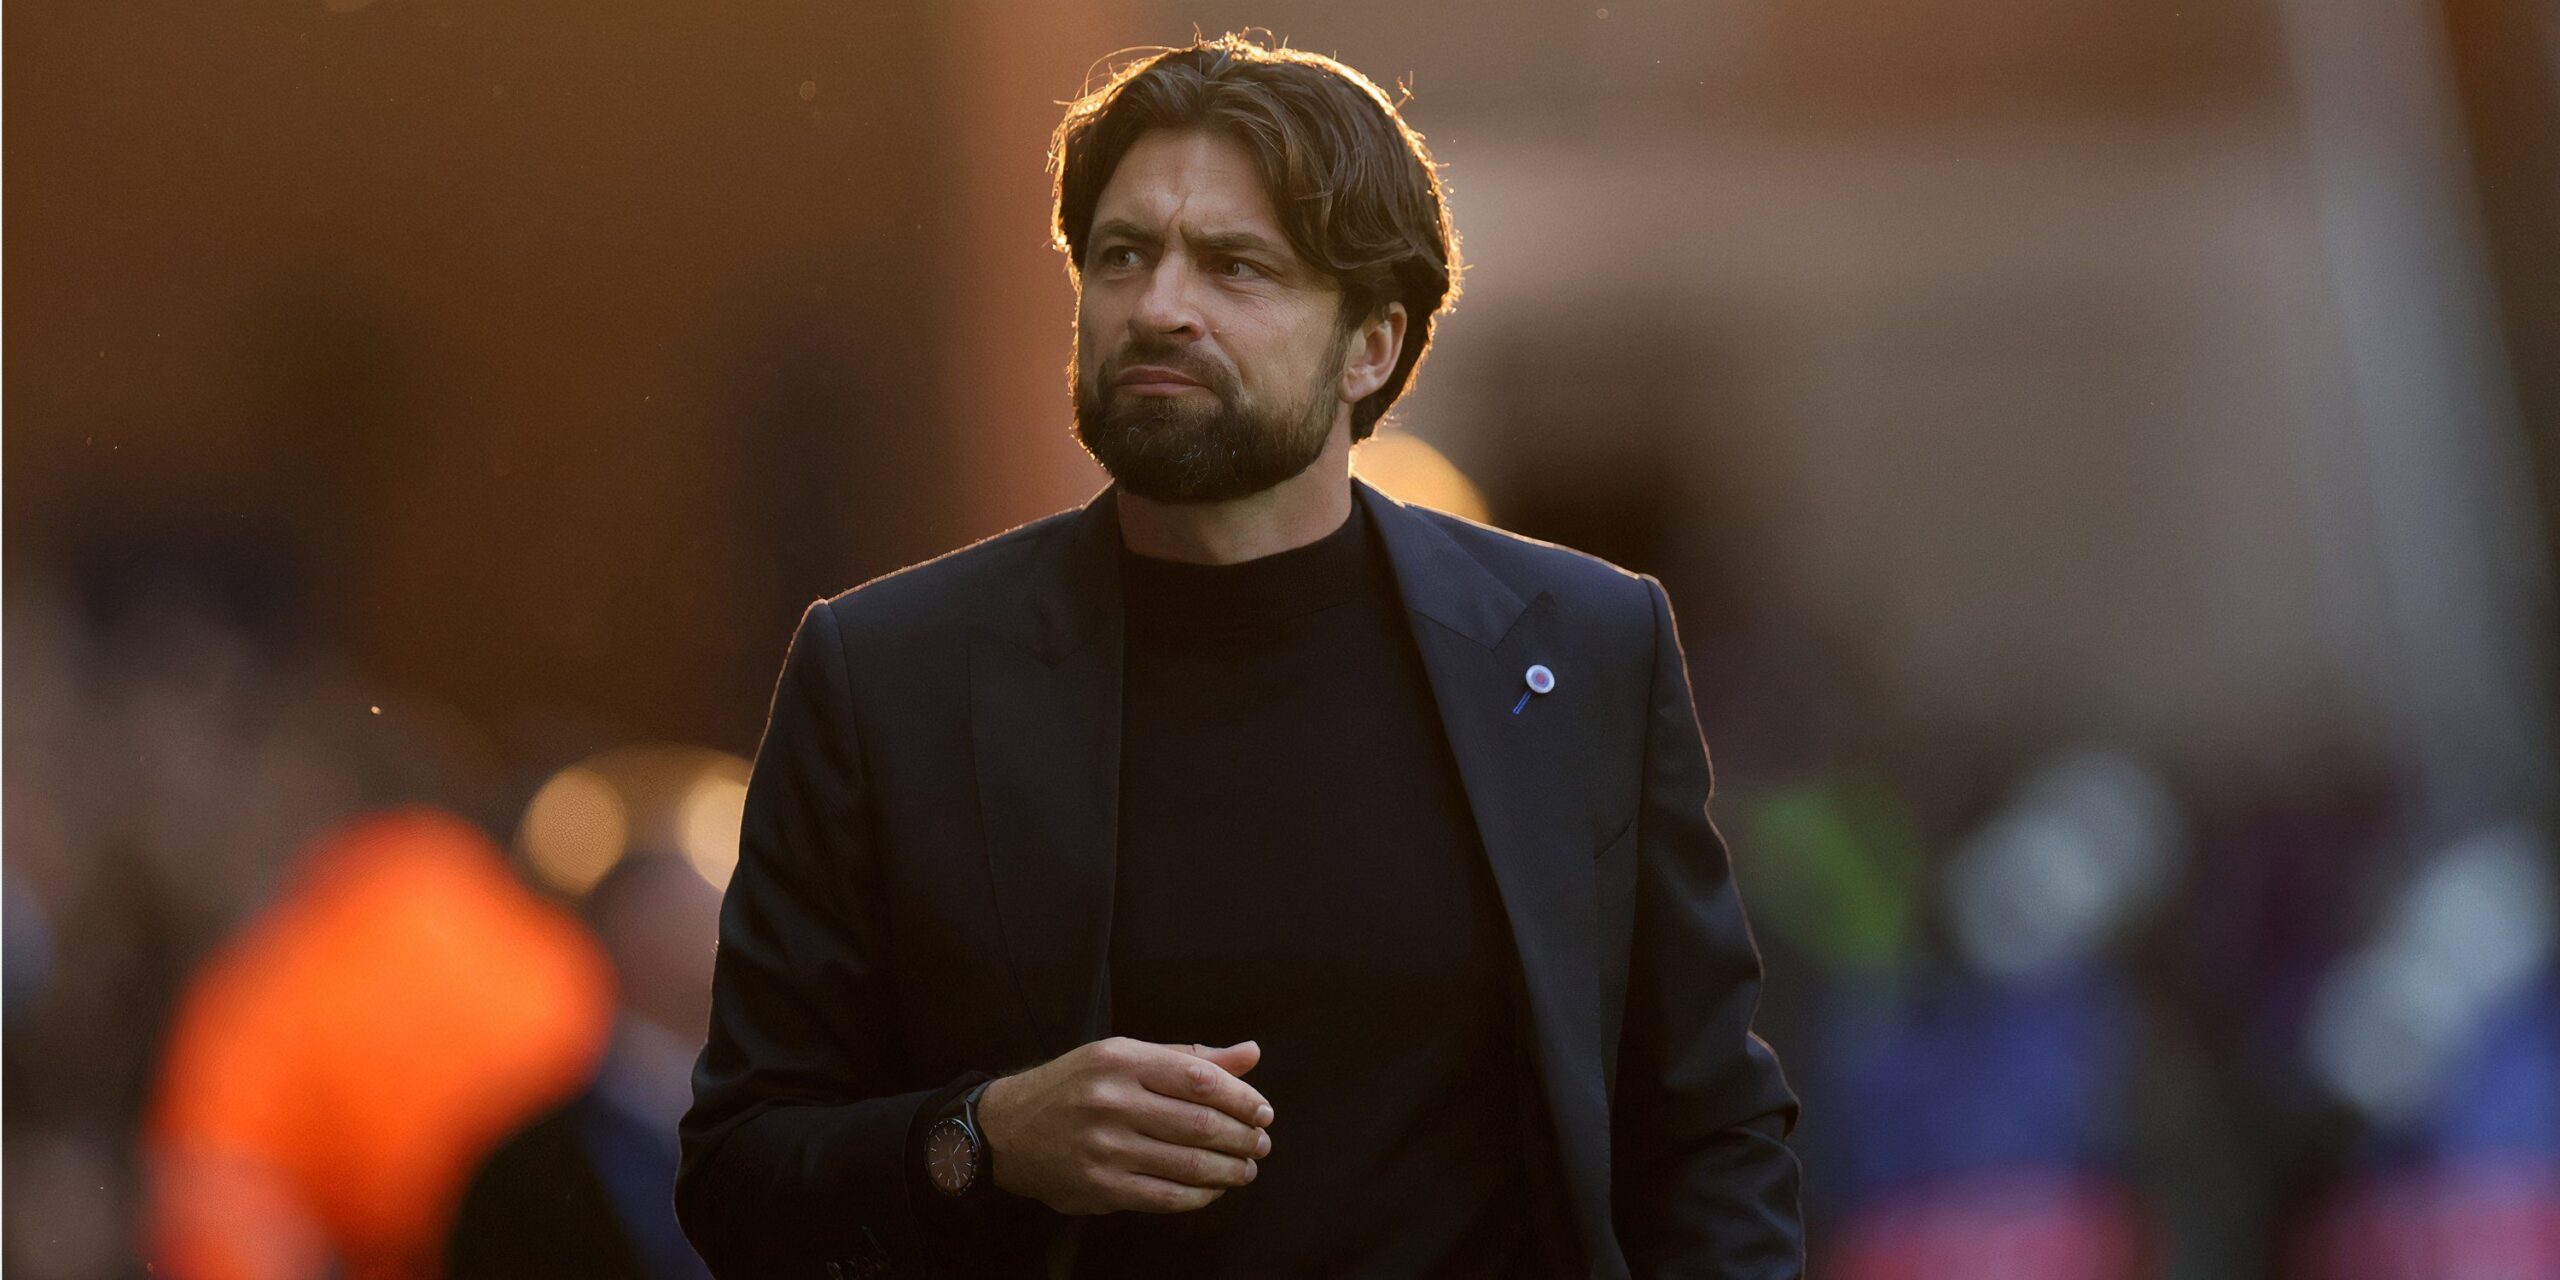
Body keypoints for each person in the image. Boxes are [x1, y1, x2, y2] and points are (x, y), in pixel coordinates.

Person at [677, 34, 1800, 1280]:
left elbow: (1709, 1126)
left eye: (1235, 265)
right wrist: (985, 1136)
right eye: (1122, 255)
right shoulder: (886, 676)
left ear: (1371, 345)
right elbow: (736, 1173)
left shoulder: (1578, 647)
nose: (1158, 305)